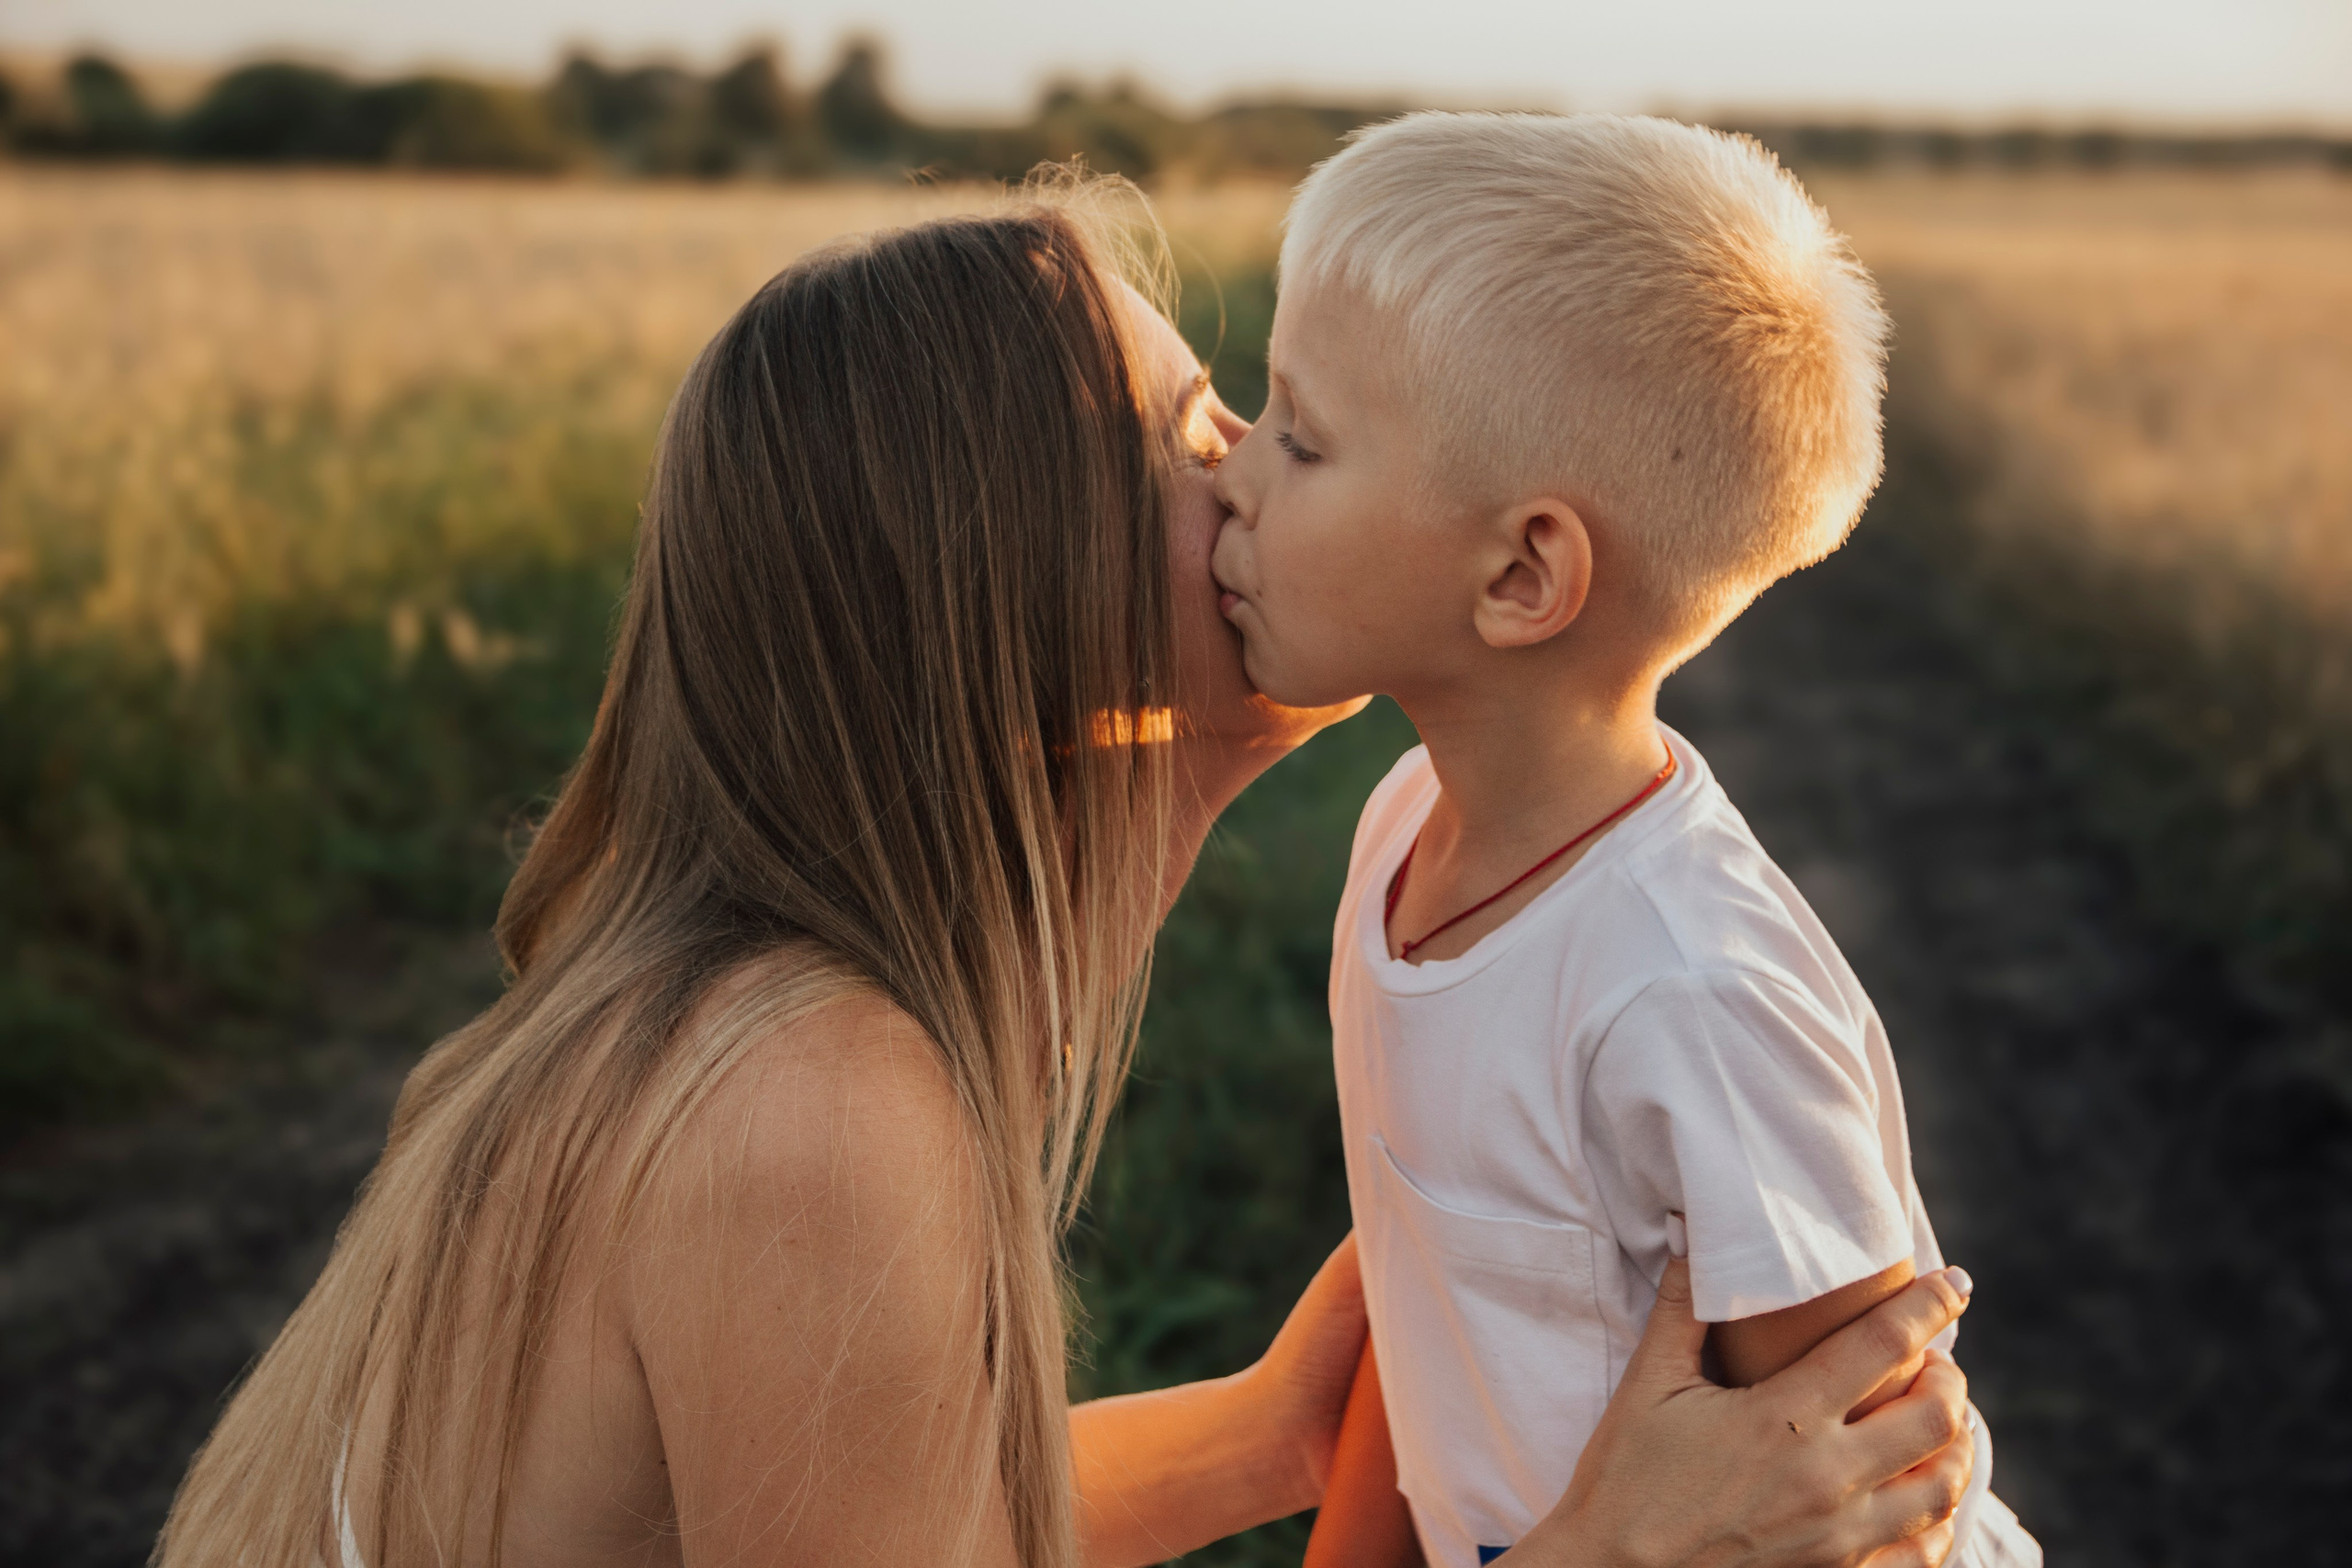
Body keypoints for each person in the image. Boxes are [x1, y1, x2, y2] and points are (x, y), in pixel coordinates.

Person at [155, 182, 1978, 1568]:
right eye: (1200, 440)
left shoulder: (723, 1010)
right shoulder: (809, 1105)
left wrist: (1272, 1433)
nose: (1259, 475)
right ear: (1018, 598)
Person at [1210, 115, 2041, 1568]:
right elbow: (1431, 1334)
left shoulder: (1688, 995)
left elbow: (1863, 1490)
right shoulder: (1404, 826)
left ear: (1522, 573)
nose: (1235, 471)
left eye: (1302, 433)